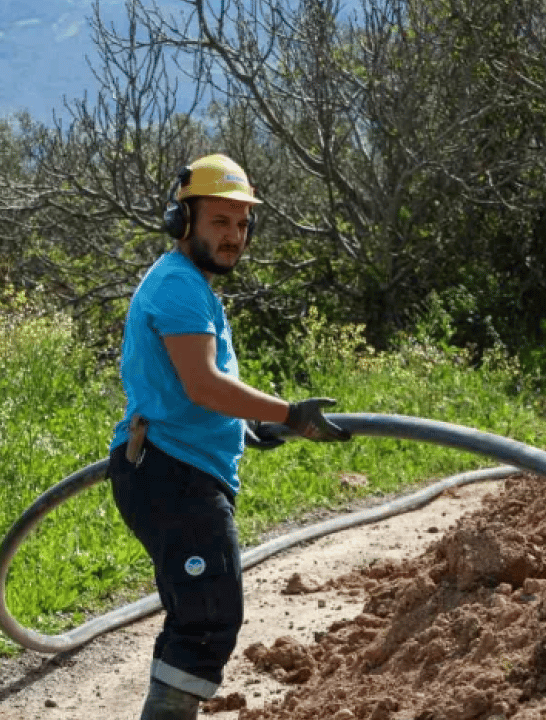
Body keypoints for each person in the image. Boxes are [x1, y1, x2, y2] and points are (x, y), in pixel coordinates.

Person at [107, 153, 351, 720]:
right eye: (220, 221)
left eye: (242, 224)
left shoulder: (191, 286)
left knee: (202, 610)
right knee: (207, 615)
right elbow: (203, 385)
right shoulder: (179, 287)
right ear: (182, 221)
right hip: (171, 473)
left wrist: (249, 423)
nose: (234, 236)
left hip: (180, 468)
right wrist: (289, 414)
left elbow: (198, 391)